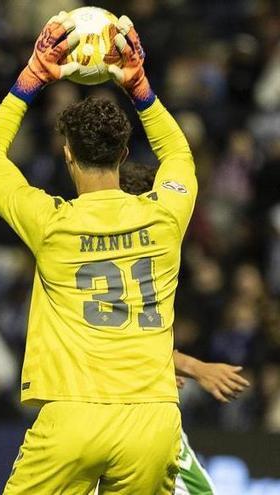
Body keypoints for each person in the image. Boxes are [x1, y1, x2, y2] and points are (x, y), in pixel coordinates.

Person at [0, 12, 196, 493]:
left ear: (67, 154)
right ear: (124, 154)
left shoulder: (52, 224)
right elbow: (178, 154)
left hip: (73, 414)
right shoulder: (166, 214)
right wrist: (141, 88)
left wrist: (31, 77)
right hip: (153, 421)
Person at [116, 160, 252, 495]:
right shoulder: (140, 262)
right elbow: (126, 337)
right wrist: (196, 368)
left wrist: (156, 366)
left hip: (99, 412)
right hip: (134, 416)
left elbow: (127, 340)